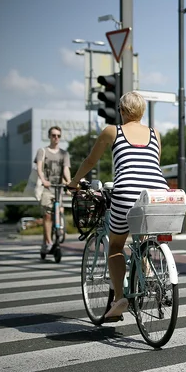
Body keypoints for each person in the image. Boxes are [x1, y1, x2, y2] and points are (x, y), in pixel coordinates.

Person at [68, 91, 168, 320]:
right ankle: (145, 271)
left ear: (122, 111)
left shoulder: (113, 131)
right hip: (156, 192)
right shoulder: (155, 133)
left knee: (115, 247)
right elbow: (153, 164)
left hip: (126, 191)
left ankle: (120, 297)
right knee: (141, 235)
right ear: (142, 112)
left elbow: (91, 161)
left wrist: (74, 182)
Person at [35, 126, 71, 253]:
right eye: (54, 135)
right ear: (49, 136)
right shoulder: (42, 151)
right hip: (47, 188)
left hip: (58, 188)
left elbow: (66, 169)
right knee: (47, 216)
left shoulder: (64, 154)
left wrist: (69, 183)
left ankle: (59, 230)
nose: (56, 138)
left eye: (58, 136)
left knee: (59, 210)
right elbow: (39, 168)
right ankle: (48, 242)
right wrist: (44, 180)